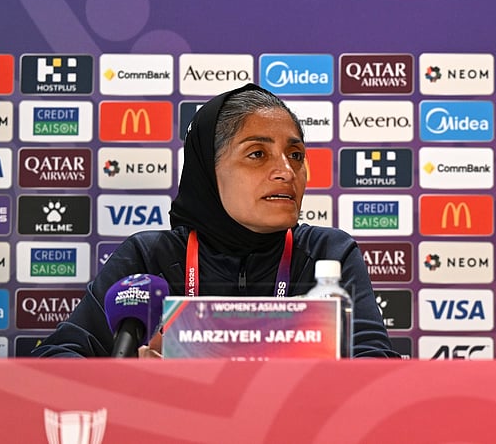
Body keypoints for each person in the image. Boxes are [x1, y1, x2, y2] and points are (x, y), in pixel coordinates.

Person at [34, 83, 397, 358]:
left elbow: (374, 367)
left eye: (296, 155)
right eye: (257, 154)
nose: (286, 171)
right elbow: (57, 361)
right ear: (208, 169)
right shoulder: (150, 257)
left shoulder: (327, 253)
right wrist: (130, 375)